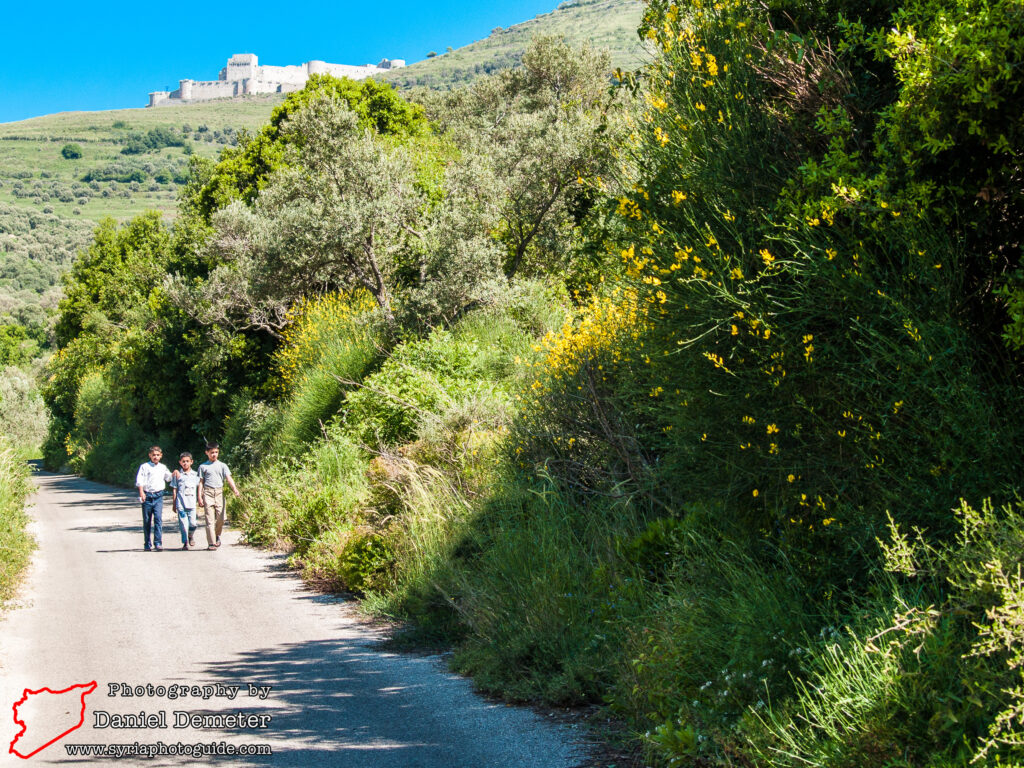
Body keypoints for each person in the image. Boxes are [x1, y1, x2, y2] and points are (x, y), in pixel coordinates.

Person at [197, 442, 240, 550]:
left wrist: (234, 489)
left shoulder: (222, 465)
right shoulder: (203, 466)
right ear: (207, 453)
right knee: (209, 519)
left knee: (221, 518)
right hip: (208, 493)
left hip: (219, 493)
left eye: (216, 452)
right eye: (212, 452)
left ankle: (216, 535)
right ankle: (211, 543)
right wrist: (199, 496)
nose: (214, 454)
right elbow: (201, 482)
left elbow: (228, 478)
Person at [135, 445, 172, 552]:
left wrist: (175, 473)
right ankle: (147, 543)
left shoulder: (162, 467)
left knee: (158, 519)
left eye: (157, 455)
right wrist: (141, 492)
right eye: (153, 455)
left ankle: (158, 542)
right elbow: (140, 480)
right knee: (147, 520)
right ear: (150, 455)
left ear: (161, 456)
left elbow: (168, 477)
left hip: (158, 496)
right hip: (147, 496)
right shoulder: (145, 466)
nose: (155, 457)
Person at [170, 451, 200, 551]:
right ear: (180, 462)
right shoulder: (177, 475)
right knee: (183, 524)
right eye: (183, 461)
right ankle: (185, 542)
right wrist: (174, 504)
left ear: (191, 462)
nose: (185, 463)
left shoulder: (195, 475)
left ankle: (190, 535)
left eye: (187, 461)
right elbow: (175, 489)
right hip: (181, 504)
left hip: (191, 504)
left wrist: (200, 498)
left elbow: (200, 487)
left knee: (193, 524)